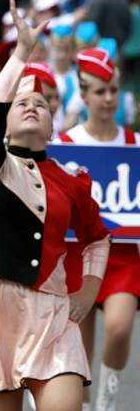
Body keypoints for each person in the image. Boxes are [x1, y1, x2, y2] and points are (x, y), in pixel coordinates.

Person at [0, 0, 111, 411]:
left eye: (41, 104)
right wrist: (21, 53)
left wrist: (90, 289)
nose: (31, 106)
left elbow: (97, 238)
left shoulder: (72, 180)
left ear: (52, 122)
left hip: (53, 316)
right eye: (22, 102)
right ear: (6, 120)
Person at [57, 48, 139, 411]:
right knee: (79, 347)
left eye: (113, 90)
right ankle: (85, 405)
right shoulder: (64, 144)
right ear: (84, 94)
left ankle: (107, 398)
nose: (108, 98)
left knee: (120, 327)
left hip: (122, 258)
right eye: (100, 91)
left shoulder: (135, 145)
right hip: (79, 256)